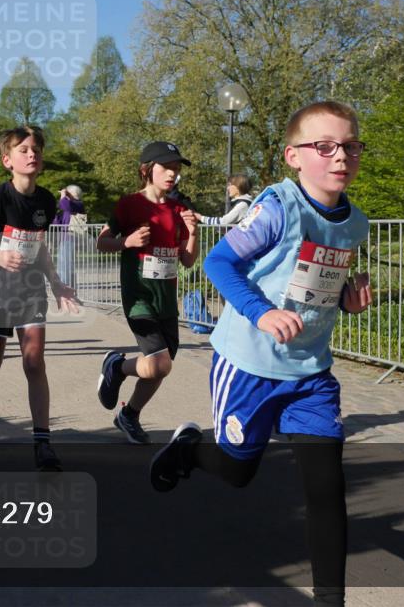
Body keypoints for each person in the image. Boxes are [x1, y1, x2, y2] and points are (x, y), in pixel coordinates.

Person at [148, 101, 373, 607]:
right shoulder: (277, 207)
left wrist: (348, 301)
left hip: (310, 372)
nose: (341, 157)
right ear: (294, 156)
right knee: (238, 469)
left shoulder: (353, 223)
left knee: (326, 486)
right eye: (326, 147)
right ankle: (189, 450)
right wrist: (262, 312)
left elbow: (320, 284)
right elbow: (218, 261)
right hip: (249, 364)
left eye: (351, 146)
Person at [0, 126, 79, 471]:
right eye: (23, 149)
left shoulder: (46, 200)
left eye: (36, 148)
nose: (31, 154)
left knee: (34, 361)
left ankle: (42, 444)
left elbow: (40, 249)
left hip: (30, 290)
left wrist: (57, 284)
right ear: (7, 160)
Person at [96, 142, 198, 444]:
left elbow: (188, 260)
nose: (172, 174)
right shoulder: (129, 205)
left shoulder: (179, 209)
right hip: (139, 296)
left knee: (159, 368)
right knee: (160, 362)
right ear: (146, 170)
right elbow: (103, 242)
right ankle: (117, 366)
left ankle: (128, 414)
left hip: (166, 299)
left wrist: (193, 233)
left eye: (176, 169)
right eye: (166, 167)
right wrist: (126, 241)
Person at [53, 185, 86, 288]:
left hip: (71, 238)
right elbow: (57, 222)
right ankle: (69, 288)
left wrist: (63, 194)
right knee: (64, 264)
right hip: (64, 239)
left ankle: (66, 288)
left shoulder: (78, 205)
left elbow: (65, 204)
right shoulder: (68, 209)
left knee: (66, 265)